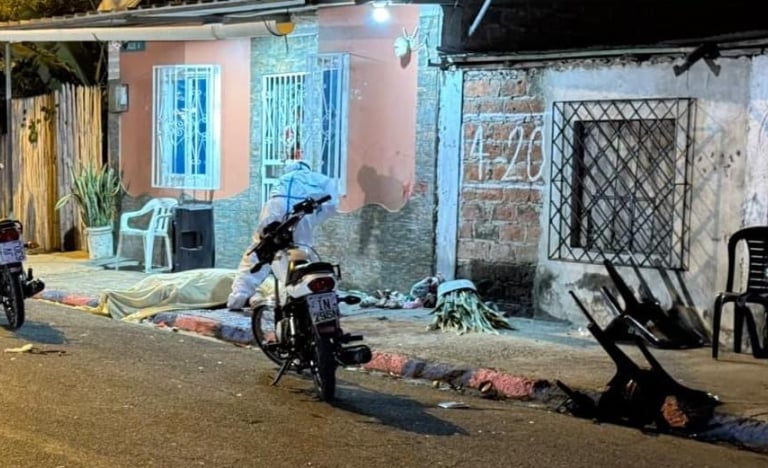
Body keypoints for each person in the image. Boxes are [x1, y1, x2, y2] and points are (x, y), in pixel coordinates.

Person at [227, 160, 338, 310]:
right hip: (302, 213)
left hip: (274, 209)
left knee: (260, 250)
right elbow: (331, 205)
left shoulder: (282, 179)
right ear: (308, 168)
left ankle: (238, 297)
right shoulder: (320, 179)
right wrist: (314, 219)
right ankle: (298, 294)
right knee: (300, 253)